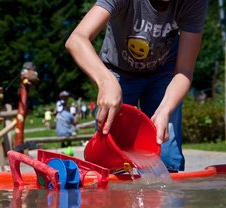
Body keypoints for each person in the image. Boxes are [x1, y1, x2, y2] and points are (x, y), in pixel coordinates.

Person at [65, 0, 208, 172]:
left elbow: (184, 70)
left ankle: (165, 193)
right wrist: (105, 81)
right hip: (118, 70)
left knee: (166, 151)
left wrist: (165, 109)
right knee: (110, 152)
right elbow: (77, 39)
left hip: (163, 72)